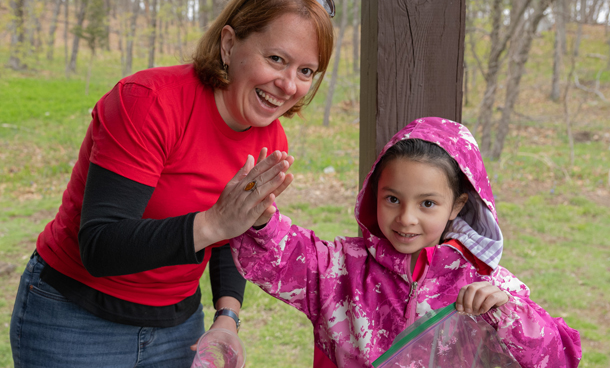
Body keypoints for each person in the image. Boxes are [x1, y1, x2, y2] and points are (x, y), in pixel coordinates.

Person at [9, 0, 335, 366]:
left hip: (178, 327)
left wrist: (227, 317)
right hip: (75, 319)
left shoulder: (270, 136)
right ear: (229, 45)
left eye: (306, 70)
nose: (288, 84)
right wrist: (214, 222)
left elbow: (235, 231)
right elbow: (99, 246)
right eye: (277, 58)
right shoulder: (149, 102)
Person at [229, 117, 582, 367]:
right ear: (374, 194)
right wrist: (261, 220)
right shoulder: (340, 269)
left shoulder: (486, 285)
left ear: (457, 205)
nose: (406, 218)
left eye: (427, 203)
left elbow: (561, 357)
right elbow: (287, 256)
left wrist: (510, 313)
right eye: (392, 199)